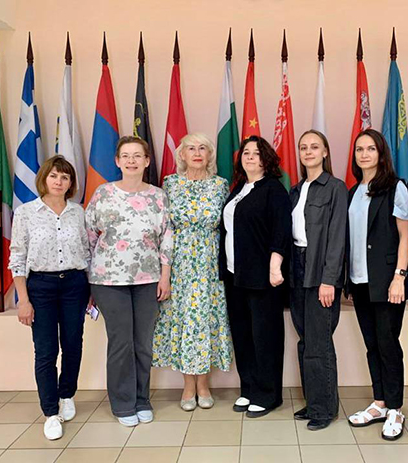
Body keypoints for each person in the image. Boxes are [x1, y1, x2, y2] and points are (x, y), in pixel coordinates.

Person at [85, 136, 173, 427]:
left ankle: (141, 399)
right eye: (126, 155)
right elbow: (89, 235)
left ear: (147, 161)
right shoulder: (103, 194)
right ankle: (123, 404)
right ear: (117, 161)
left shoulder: (158, 196)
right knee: (121, 342)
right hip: (109, 280)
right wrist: (88, 278)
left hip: (149, 279)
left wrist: (165, 276)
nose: (131, 160)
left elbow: (166, 237)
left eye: (137, 155)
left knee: (143, 343)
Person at [10, 156, 90, 441]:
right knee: (45, 350)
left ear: (71, 183)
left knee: (73, 344)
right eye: (54, 176)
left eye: (65, 177)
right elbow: (17, 256)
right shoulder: (26, 213)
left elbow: (86, 250)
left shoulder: (78, 212)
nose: (59, 181)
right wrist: (23, 299)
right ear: (44, 178)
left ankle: (67, 394)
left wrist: (90, 289)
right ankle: (50, 411)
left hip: (74, 284)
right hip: (40, 286)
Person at [153, 133, 232, 411]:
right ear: (182, 155)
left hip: (210, 263)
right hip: (180, 263)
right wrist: (165, 272)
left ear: (209, 155)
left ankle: (203, 385)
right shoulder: (170, 184)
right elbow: (164, 229)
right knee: (185, 320)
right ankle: (188, 386)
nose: (197, 153)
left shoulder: (221, 185)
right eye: (191, 148)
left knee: (206, 319)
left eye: (202, 148)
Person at [344, 129, 408, 440]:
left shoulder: (396, 188)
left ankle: (396, 407)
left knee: (388, 343)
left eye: (371, 148)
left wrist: (400, 276)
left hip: (387, 281)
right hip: (359, 281)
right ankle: (380, 402)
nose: (364, 154)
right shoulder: (353, 191)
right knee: (372, 344)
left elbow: (405, 236)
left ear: (381, 153)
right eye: (359, 149)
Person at [220, 135, 291, 418]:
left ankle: (269, 394)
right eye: (246, 152)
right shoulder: (238, 188)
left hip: (263, 276)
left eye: (256, 153)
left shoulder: (274, 189)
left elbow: (281, 230)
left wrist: (275, 266)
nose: (250, 157)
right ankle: (249, 388)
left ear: (266, 159)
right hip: (234, 275)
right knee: (242, 334)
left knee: (265, 336)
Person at [289, 130, 347, 431]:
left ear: (325, 152)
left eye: (314, 147)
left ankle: (324, 409)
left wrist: (329, 280)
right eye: (303, 147)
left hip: (320, 270)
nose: (308, 151)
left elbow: (337, 237)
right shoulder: (296, 190)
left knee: (319, 342)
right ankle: (313, 401)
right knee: (304, 340)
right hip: (297, 268)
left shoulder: (335, 188)